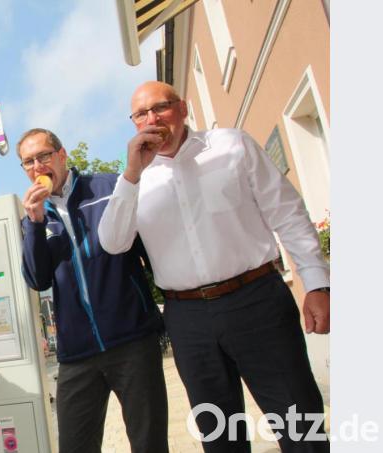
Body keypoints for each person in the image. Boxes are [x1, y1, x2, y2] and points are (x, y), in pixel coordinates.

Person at [98, 81, 330, 452]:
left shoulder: (231, 144)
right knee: (220, 438)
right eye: (141, 114)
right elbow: (113, 242)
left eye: (161, 107)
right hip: (188, 319)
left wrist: (317, 283)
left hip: (257, 301)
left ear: (184, 108)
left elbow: (287, 213)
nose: (152, 118)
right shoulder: (133, 180)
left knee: (300, 424)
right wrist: (131, 175)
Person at [18, 128, 168, 453]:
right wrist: (33, 221)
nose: (37, 166)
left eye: (43, 155)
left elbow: (150, 252)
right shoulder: (34, 218)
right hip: (77, 355)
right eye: (28, 162)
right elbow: (36, 279)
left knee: (149, 443)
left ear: (62, 155)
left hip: (132, 343)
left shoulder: (109, 187)